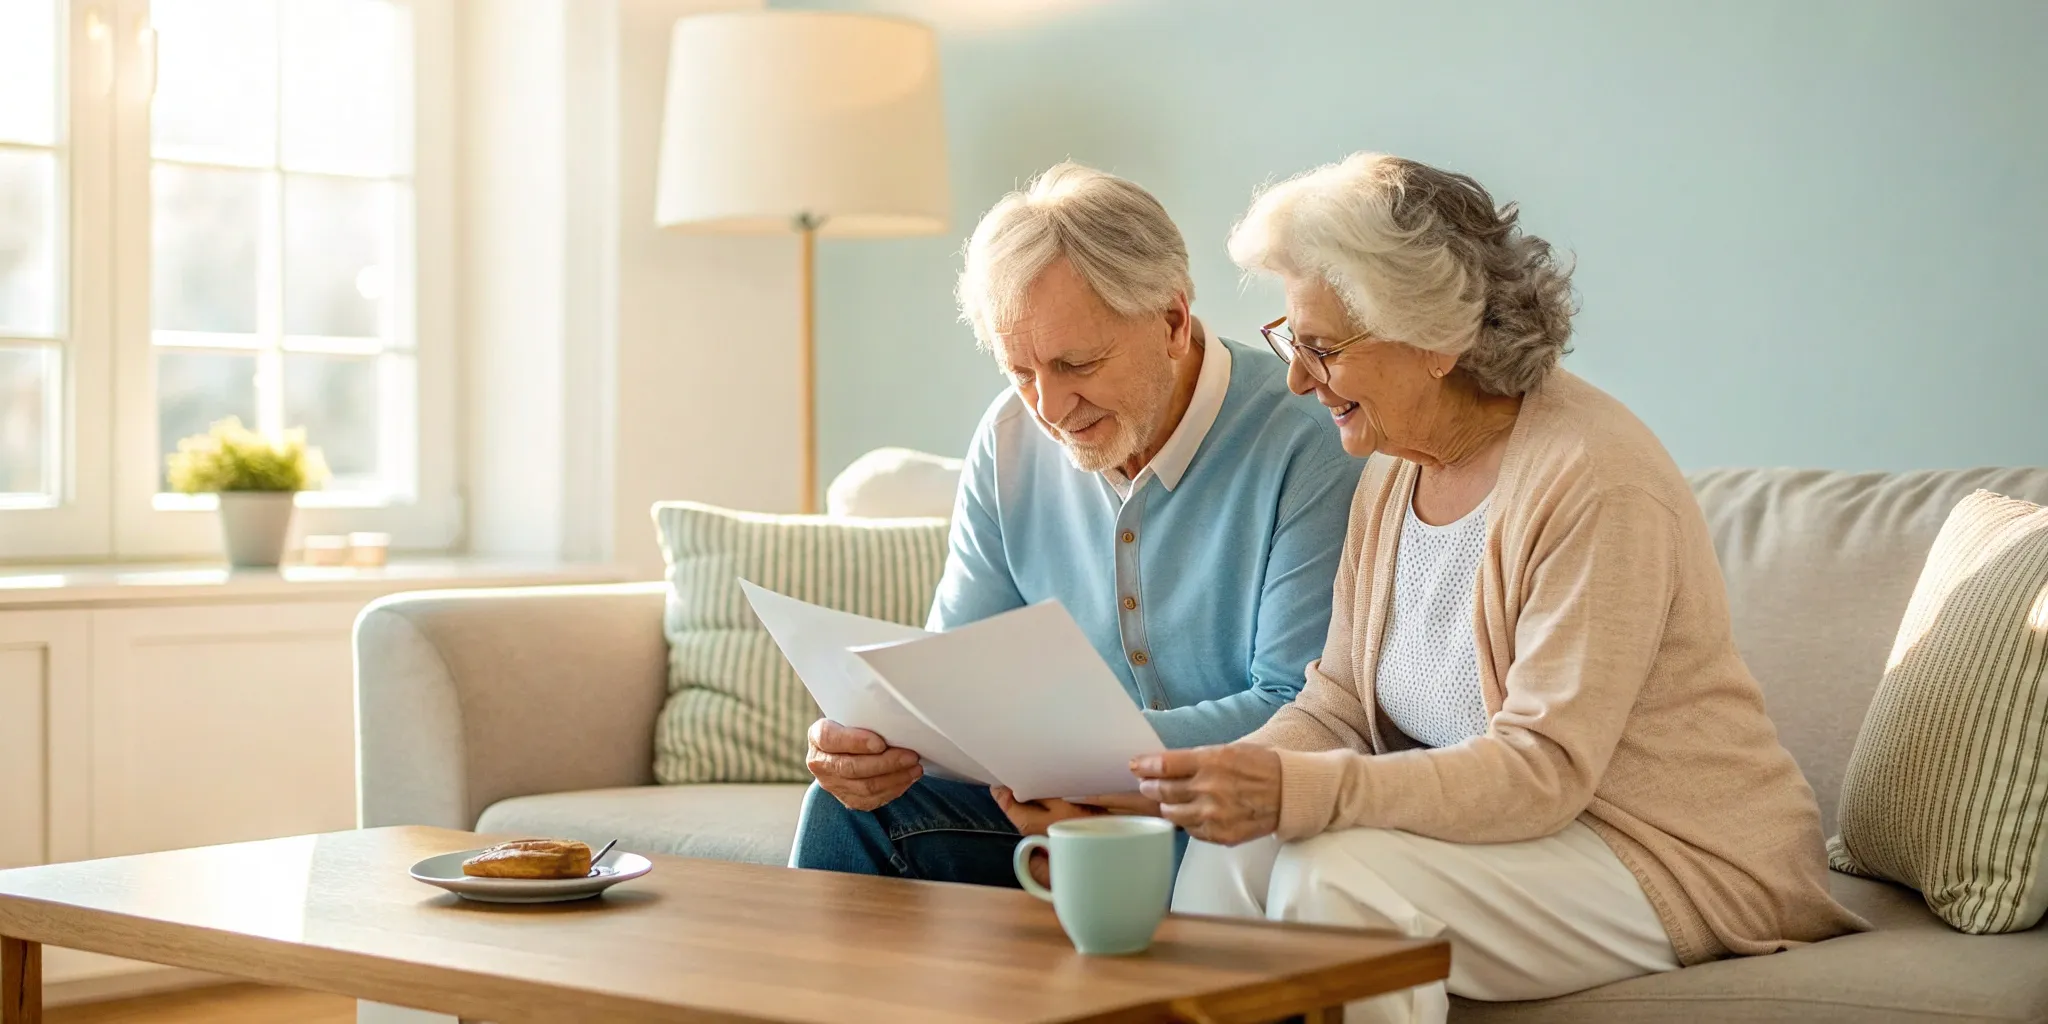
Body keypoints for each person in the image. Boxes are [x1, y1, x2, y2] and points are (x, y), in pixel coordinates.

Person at [1134, 153, 1865, 1023]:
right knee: (1230, 852)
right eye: (1292, 340)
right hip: (1534, 840)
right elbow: (1333, 707)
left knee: (1337, 879)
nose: (1297, 377)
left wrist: (1306, 795)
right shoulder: (1393, 470)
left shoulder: (1593, 478)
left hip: (1671, 853)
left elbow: (1544, 770)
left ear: (1435, 340)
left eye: (1324, 348)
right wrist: (1217, 782)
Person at [788, 162, 1360, 886]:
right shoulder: (1007, 443)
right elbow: (957, 676)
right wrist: (876, 743)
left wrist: (1088, 765)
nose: (1050, 408)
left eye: (1076, 363)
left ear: (1174, 321)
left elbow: (1300, 709)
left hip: (1231, 821)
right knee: (853, 813)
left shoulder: (1306, 439)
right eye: (1020, 371)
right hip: (1053, 808)